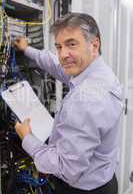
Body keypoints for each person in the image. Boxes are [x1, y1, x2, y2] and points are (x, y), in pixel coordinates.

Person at [14, 12, 124, 194]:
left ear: (94, 45)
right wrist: (27, 49)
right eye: (59, 47)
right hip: (105, 181)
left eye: (72, 44)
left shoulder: (86, 99)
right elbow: (57, 65)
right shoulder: (97, 72)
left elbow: (66, 168)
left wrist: (27, 138)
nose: (63, 54)